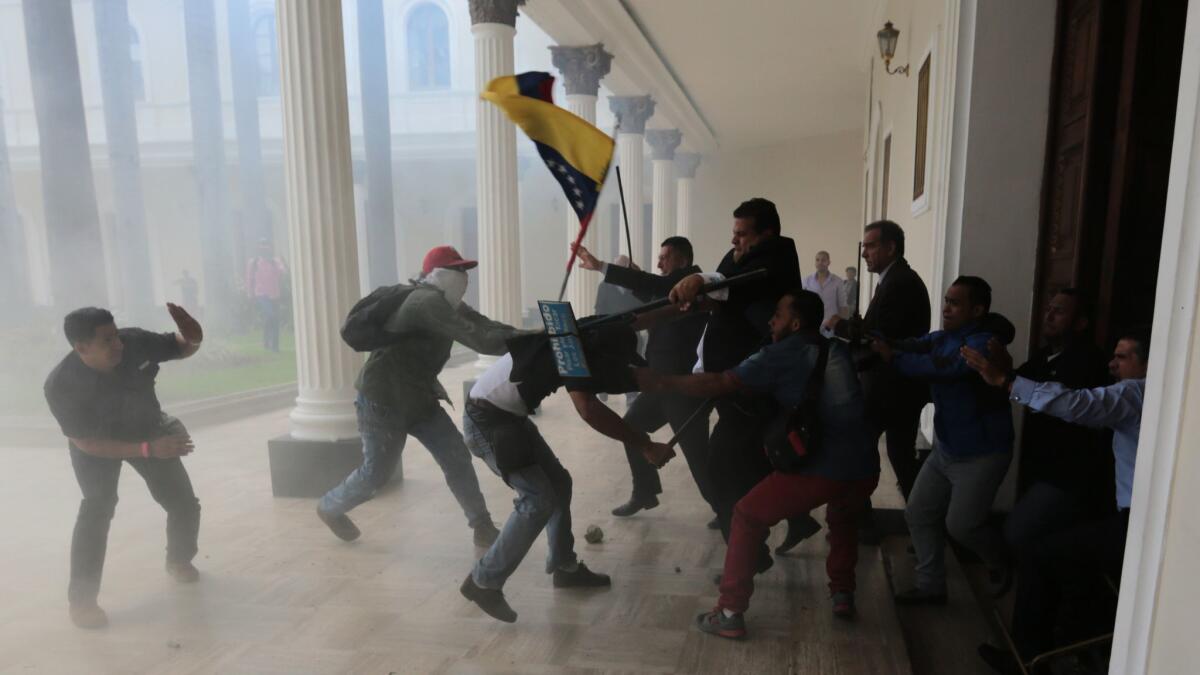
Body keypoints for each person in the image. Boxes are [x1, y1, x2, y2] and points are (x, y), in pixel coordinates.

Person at [637, 290, 879, 639]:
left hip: (825, 467)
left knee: (747, 515)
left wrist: (658, 381)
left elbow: (720, 382)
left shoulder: (785, 353)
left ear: (795, 323)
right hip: (866, 467)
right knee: (842, 517)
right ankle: (843, 593)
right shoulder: (834, 347)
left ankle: (731, 612)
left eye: (778, 315)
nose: (770, 321)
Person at [459, 323, 676, 623]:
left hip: (509, 418)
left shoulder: (578, 336)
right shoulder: (573, 356)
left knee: (559, 482)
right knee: (537, 500)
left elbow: (646, 312)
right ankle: (483, 581)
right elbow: (588, 410)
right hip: (488, 423)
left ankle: (564, 566)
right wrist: (645, 444)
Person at [964, 328, 1148, 673]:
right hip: (1128, 515)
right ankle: (1071, 639)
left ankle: (1030, 659)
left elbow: (1078, 404)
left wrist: (1006, 382)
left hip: (1139, 524)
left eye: (1122, 357)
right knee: (1067, 555)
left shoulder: (1137, 392)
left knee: (1039, 553)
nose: (1112, 364)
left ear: (1149, 363)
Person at [316, 246, 523, 549]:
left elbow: (485, 325)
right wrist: (533, 340)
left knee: (455, 456)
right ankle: (330, 507)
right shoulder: (426, 303)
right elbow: (480, 338)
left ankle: (481, 525)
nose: (464, 278)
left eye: (466, 272)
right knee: (376, 474)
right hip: (382, 399)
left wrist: (532, 335)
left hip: (418, 397)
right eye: (458, 271)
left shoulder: (446, 302)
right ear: (439, 275)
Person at [669, 197, 817, 557]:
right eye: (733, 233)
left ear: (766, 233)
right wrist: (702, 297)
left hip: (750, 382)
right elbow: (725, 292)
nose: (735, 240)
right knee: (757, 461)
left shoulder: (776, 255)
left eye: (742, 234)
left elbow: (738, 283)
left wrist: (700, 279)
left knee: (721, 470)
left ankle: (750, 554)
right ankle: (791, 523)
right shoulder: (740, 256)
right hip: (739, 379)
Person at [43, 304, 205, 629]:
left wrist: (193, 335)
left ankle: (178, 557)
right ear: (81, 348)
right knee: (97, 508)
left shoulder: (134, 342)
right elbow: (86, 444)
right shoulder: (60, 384)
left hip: (145, 426)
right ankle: (83, 599)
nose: (118, 344)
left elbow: (183, 347)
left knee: (183, 501)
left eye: (116, 335)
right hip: (96, 444)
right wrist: (149, 450)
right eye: (107, 340)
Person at [876, 276, 1014, 605]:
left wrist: (892, 357)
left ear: (977, 309)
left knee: (962, 526)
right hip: (947, 449)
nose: (946, 308)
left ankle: (1002, 562)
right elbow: (914, 344)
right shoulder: (944, 337)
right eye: (947, 300)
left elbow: (944, 369)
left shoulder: (982, 343)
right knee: (919, 513)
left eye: (955, 302)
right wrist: (875, 339)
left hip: (982, 453)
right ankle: (931, 586)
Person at [575, 237, 714, 520]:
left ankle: (729, 510)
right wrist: (636, 278)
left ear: (684, 260)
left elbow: (656, 287)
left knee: (700, 460)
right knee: (631, 430)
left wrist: (602, 266)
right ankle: (644, 492)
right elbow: (651, 295)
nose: (659, 262)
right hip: (659, 384)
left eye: (666, 256)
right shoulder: (669, 289)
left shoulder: (691, 284)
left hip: (683, 389)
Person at [825, 220, 931, 505]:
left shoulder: (900, 283)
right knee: (896, 455)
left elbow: (881, 337)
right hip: (893, 385)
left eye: (870, 246)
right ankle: (920, 519)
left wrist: (840, 326)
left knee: (859, 451)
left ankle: (861, 518)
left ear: (890, 247)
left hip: (891, 387)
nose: (864, 253)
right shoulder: (894, 278)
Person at [1004, 289, 1112, 552]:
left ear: (1081, 323)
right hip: (1041, 470)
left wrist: (1004, 379)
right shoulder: (1044, 356)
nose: (1049, 316)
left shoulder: (1089, 361)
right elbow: (1016, 382)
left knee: (1020, 533)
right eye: (1049, 309)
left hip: (1069, 477)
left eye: (1059, 311)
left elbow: (1058, 401)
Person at [245, 239, 287, 352]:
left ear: (270, 248)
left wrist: (279, 264)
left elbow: (283, 272)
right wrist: (250, 294)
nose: (265, 249)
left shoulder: (275, 261)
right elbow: (249, 279)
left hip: (275, 295)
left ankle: (275, 346)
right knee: (271, 316)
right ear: (259, 249)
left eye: (267, 247)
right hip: (261, 294)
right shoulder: (253, 263)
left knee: (274, 319)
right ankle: (267, 341)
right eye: (262, 247)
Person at [802, 250, 843, 325]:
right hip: (811, 325)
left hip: (831, 328)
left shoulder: (838, 281)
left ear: (829, 262)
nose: (820, 262)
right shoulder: (806, 281)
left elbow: (843, 307)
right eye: (817, 260)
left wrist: (837, 324)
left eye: (823, 260)